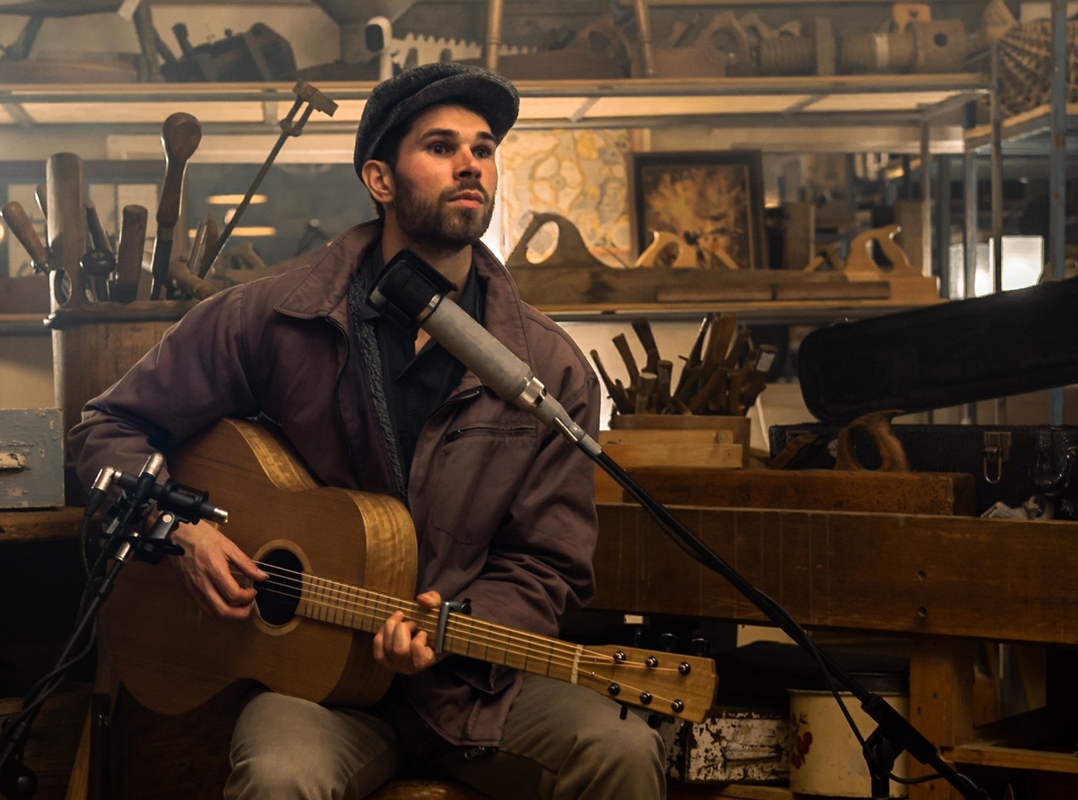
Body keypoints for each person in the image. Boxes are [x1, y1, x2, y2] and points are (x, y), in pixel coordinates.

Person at [69, 62, 666, 800]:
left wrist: (454, 624)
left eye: (483, 148)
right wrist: (179, 529)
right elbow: (109, 425)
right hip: (313, 693)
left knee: (621, 750)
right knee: (280, 776)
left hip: (470, 688)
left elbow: (550, 564)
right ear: (380, 180)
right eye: (441, 147)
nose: (471, 164)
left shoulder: (545, 366)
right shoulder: (272, 317)